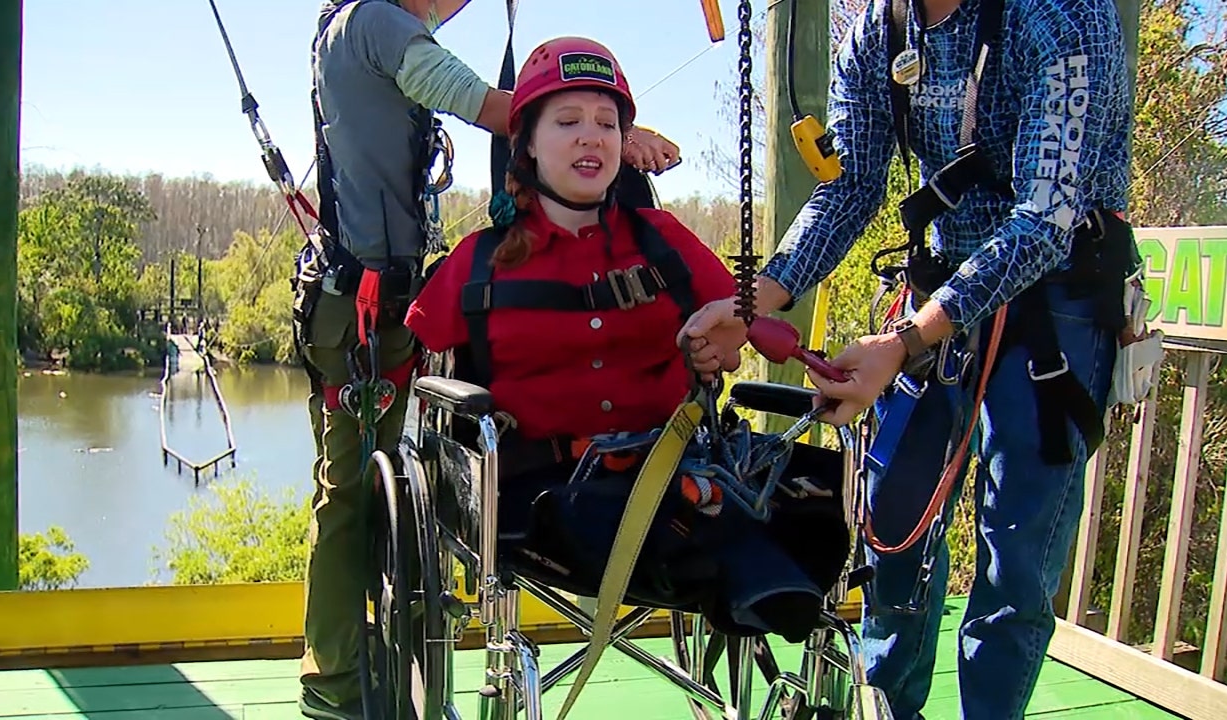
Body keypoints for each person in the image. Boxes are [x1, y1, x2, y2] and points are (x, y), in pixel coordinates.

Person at [680, 0, 1137, 717]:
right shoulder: (881, 32)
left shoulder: (1062, 14)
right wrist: (756, 301)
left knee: (1015, 560)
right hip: (939, 302)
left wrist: (902, 342)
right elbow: (852, 185)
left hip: (1058, 303)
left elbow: (1046, 218)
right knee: (894, 533)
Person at [294, 3, 681, 718]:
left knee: (370, 488)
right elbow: (483, 104)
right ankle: (336, 688)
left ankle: (374, 664)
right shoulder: (375, 22)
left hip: (379, 299)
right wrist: (614, 135)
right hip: (360, 308)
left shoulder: (354, 28)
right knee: (351, 493)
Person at [405, 35, 851, 648]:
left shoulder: (664, 241)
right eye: (567, 121)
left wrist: (728, 348)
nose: (591, 136)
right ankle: (753, 574)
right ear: (527, 144)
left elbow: (735, 326)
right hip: (544, 497)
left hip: (677, 464)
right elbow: (419, 375)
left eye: (607, 123)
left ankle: (756, 571)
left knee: (826, 485)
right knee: (659, 517)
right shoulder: (475, 266)